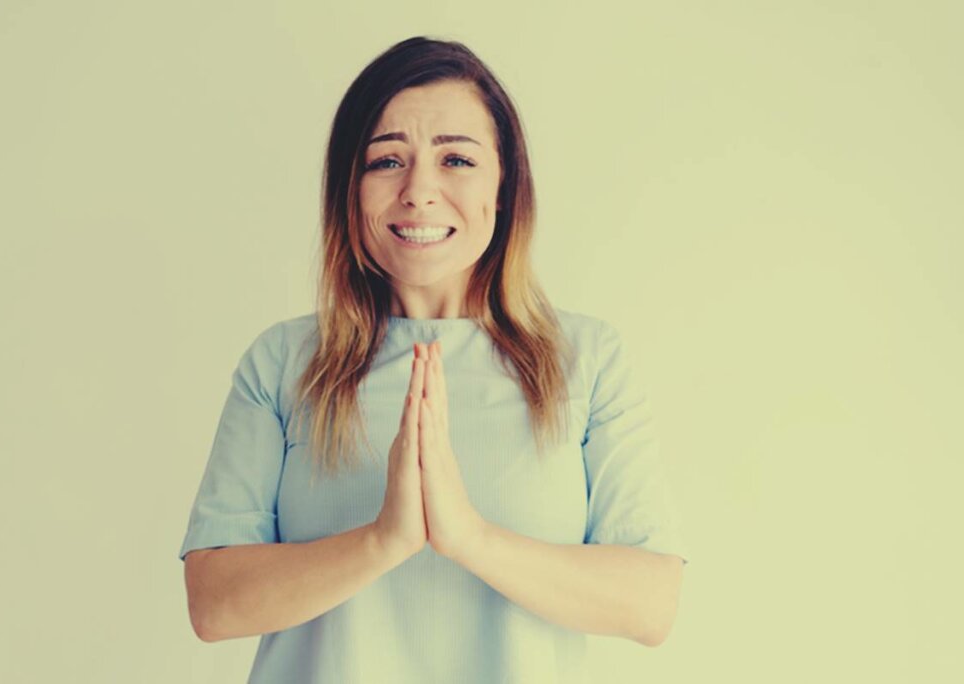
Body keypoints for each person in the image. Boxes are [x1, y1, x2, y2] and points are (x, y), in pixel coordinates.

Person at [178, 35, 689, 684]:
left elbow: (651, 603)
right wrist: (383, 539)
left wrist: (469, 537)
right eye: (387, 161)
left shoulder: (587, 361)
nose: (419, 191)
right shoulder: (281, 364)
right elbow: (214, 603)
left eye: (456, 159)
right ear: (350, 189)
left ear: (503, 187)